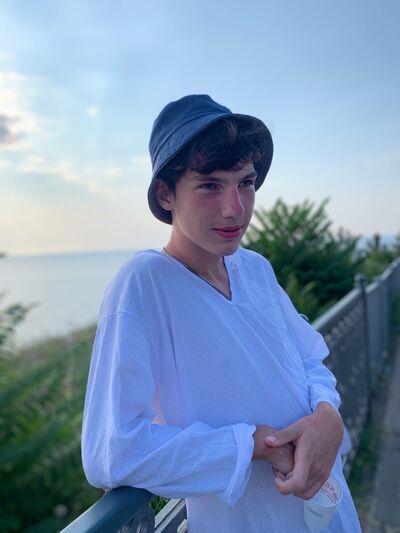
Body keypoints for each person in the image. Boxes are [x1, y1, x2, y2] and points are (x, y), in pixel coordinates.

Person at [81, 94, 361, 532]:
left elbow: (307, 357)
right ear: (165, 193)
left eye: (245, 183)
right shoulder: (144, 283)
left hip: (328, 506)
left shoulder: (254, 268)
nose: (236, 208)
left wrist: (328, 413)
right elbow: (112, 452)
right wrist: (253, 445)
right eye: (210, 185)